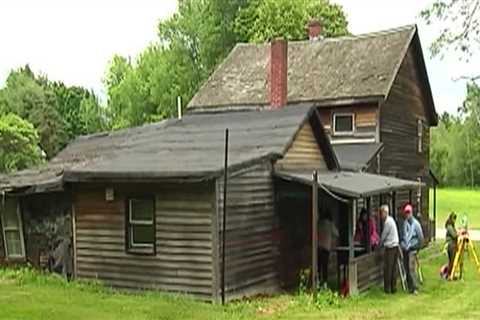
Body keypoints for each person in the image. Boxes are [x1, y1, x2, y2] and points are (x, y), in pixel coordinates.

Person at [400, 204, 424, 294]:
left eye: (408, 213)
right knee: (406, 268)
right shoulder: (405, 224)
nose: (407, 215)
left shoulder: (416, 224)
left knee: (411, 268)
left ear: (411, 213)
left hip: (413, 249)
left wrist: (417, 248)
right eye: (406, 213)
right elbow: (403, 236)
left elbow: (421, 238)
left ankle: (415, 287)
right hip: (406, 248)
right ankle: (410, 286)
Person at [379, 204, 399, 294]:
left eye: (381, 213)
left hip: (390, 247)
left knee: (388, 268)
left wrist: (379, 244)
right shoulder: (391, 220)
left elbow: (383, 236)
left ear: (385, 213)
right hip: (395, 246)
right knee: (393, 268)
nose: (380, 216)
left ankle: (388, 288)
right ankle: (393, 287)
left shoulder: (387, 222)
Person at [318, 212, 339, 289]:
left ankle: (317, 282)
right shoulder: (330, 224)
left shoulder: (319, 224)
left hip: (318, 247)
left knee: (318, 266)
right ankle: (325, 284)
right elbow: (337, 233)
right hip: (326, 248)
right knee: (325, 266)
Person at [445, 212, 458, 276]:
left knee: (452, 261)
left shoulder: (452, 226)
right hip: (451, 245)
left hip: (453, 245)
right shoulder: (449, 226)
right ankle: (449, 274)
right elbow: (454, 235)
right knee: (451, 261)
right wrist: (459, 233)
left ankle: (450, 274)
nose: (455, 221)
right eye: (454, 219)